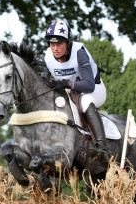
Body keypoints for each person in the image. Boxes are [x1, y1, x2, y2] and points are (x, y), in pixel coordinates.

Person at [44, 20, 109, 162]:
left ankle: (101, 147)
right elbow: (43, 83)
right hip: (70, 94)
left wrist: (68, 84)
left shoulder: (79, 53)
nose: (55, 48)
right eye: (52, 44)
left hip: (94, 90)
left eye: (59, 44)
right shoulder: (47, 57)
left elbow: (89, 86)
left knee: (85, 101)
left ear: (67, 43)